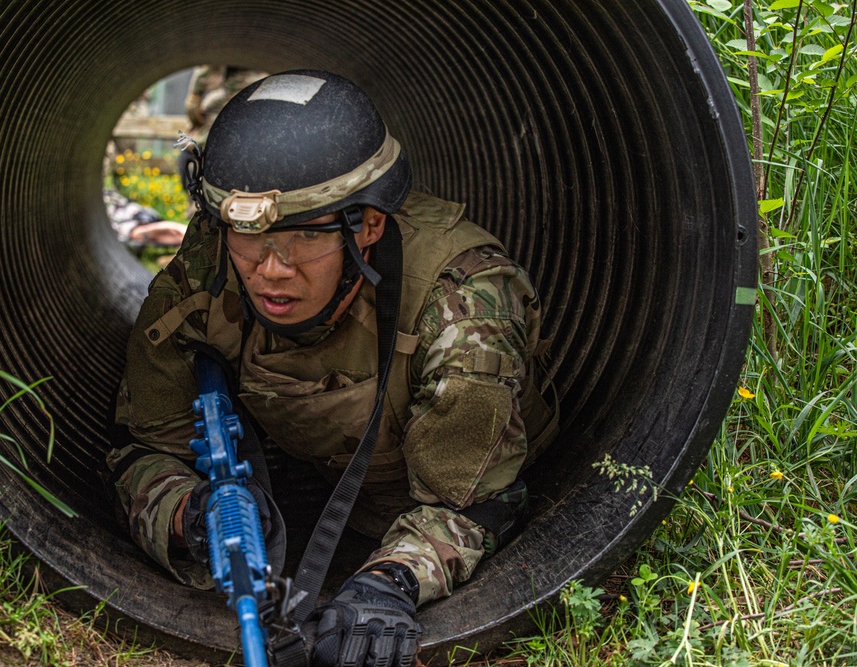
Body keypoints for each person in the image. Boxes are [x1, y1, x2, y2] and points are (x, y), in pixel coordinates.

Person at [106, 70, 557, 667]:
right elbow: (138, 450)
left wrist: (391, 579)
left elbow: (475, 500)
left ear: (368, 225)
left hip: (448, 484)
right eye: (248, 237)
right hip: (311, 478)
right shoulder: (208, 271)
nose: (270, 270)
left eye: (300, 238)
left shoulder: (460, 301)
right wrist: (193, 515)